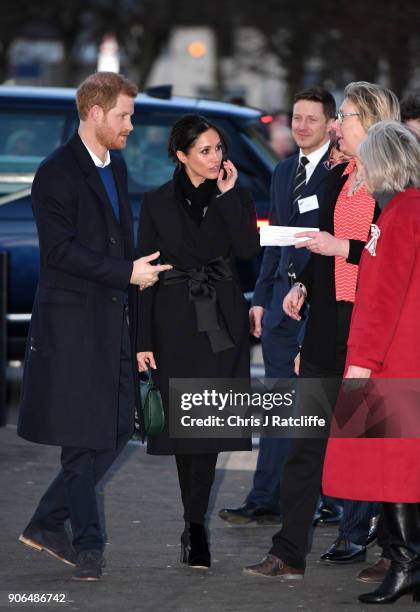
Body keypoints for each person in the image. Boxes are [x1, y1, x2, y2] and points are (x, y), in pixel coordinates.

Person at [17, 72, 172, 582]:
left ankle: (46, 521)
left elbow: (108, 241)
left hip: (114, 320)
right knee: (84, 438)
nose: (131, 124)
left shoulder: (116, 164)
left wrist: (134, 273)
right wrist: (125, 272)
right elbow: (59, 252)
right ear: (93, 113)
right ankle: (87, 545)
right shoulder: (56, 172)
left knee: (118, 428)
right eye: (124, 115)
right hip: (74, 328)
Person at [243, 81, 400, 579]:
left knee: (374, 447)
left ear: (372, 122)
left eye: (346, 116)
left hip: (370, 335)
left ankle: (392, 551)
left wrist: (343, 251)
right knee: (305, 445)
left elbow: (389, 261)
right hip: (328, 331)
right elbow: (326, 249)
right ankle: (287, 552)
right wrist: (304, 286)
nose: (336, 125)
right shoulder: (337, 178)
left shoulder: (395, 186)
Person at [136, 114, 260, 568]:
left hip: (220, 323)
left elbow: (246, 250)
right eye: (205, 150)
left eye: (219, 149)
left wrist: (228, 199)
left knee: (206, 427)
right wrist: (141, 338)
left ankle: (195, 527)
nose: (215, 158)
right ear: (181, 155)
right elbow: (144, 275)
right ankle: (193, 521)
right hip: (173, 321)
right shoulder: (155, 202)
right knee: (181, 432)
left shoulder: (235, 195)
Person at [219, 87, 337, 527]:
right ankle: (265, 496)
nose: (301, 126)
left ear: (330, 124)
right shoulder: (285, 170)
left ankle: (325, 499)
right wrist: (262, 299)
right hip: (277, 309)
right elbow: (274, 239)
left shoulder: (340, 173)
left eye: (311, 118)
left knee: (311, 405)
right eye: (296, 118)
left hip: (318, 304)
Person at [323, 120, 420, 604]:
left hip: (391, 364)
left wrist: (360, 361)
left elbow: (380, 298)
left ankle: (404, 565)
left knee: (389, 468)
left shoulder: (397, 216)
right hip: (409, 359)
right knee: (406, 467)